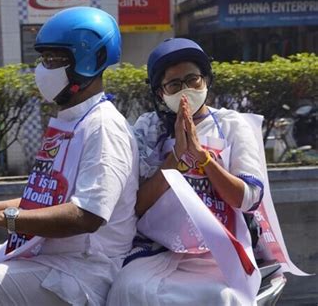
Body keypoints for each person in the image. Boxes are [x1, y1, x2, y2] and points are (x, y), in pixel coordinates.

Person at [0, 6, 139, 305]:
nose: (43, 69)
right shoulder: (71, 122)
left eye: (53, 59)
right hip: (44, 253)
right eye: (43, 59)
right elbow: (40, 202)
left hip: (82, 271)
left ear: (88, 61)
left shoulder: (104, 128)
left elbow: (86, 216)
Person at [107, 38, 265, 305]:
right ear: (160, 93)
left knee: (222, 297)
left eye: (193, 80)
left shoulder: (231, 126)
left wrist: (201, 158)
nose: (186, 90)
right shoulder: (148, 129)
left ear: (206, 81)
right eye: (174, 84)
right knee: (128, 289)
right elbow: (135, 205)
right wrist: (175, 161)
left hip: (218, 253)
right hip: (157, 251)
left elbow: (248, 198)